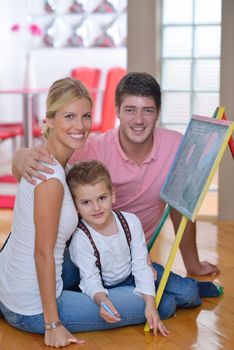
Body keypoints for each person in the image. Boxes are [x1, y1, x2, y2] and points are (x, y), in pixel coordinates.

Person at [12, 72, 219, 276]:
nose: (139, 120)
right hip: (85, 257)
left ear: (158, 112)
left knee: (176, 296)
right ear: (117, 111)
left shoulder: (175, 146)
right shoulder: (90, 148)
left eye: (147, 110)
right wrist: (19, 158)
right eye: (130, 110)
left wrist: (193, 265)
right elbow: (45, 162)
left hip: (131, 259)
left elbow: (180, 208)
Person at [0, 77, 149, 348]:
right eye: (69, 116)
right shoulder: (52, 179)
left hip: (11, 287)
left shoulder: (47, 162)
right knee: (152, 302)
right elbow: (42, 252)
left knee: (130, 274)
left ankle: (143, 274)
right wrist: (53, 324)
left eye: (85, 116)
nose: (80, 126)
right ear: (49, 119)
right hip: (31, 308)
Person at [66, 160, 221, 335]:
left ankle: (198, 287)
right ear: (75, 206)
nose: (96, 208)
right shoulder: (81, 238)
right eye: (86, 202)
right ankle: (166, 297)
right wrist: (102, 301)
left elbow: (140, 264)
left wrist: (149, 303)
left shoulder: (130, 222)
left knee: (188, 293)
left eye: (102, 198)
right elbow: (90, 280)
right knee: (166, 306)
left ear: (113, 195)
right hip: (112, 288)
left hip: (138, 272)